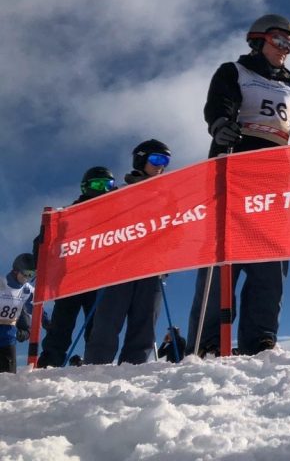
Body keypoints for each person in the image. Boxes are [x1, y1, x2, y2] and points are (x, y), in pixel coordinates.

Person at [187, 14, 290, 356]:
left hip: (273, 178)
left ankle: (260, 338)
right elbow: (219, 104)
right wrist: (220, 125)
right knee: (223, 257)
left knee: (270, 258)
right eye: (278, 40)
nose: (286, 48)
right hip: (234, 170)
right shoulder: (234, 72)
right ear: (258, 40)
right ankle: (208, 340)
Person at [83, 140, 171, 365]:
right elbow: (100, 225)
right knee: (107, 321)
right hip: (119, 267)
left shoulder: (168, 196)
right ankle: (96, 367)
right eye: (157, 159)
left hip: (152, 267)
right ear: (141, 159)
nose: (162, 165)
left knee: (144, 324)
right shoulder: (119, 193)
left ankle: (134, 369)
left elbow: (175, 230)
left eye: (165, 161)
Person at [35, 167, 117, 367]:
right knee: (62, 323)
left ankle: (96, 364)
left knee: (97, 325)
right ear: (85, 187)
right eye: (98, 184)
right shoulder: (67, 216)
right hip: (70, 278)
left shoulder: (114, 216)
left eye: (109, 185)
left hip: (97, 278)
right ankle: (50, 363)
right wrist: (42, 248)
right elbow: (44, 245)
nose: (104, 189)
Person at [1, 254, 38, 374]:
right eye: (26, 273)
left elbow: (34, 307)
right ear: (16, 270)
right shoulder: (2, 285)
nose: (27, 278)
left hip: (8, 340)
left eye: (31, 275)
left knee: (8, 380)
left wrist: (24, 332)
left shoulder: (26, 290)